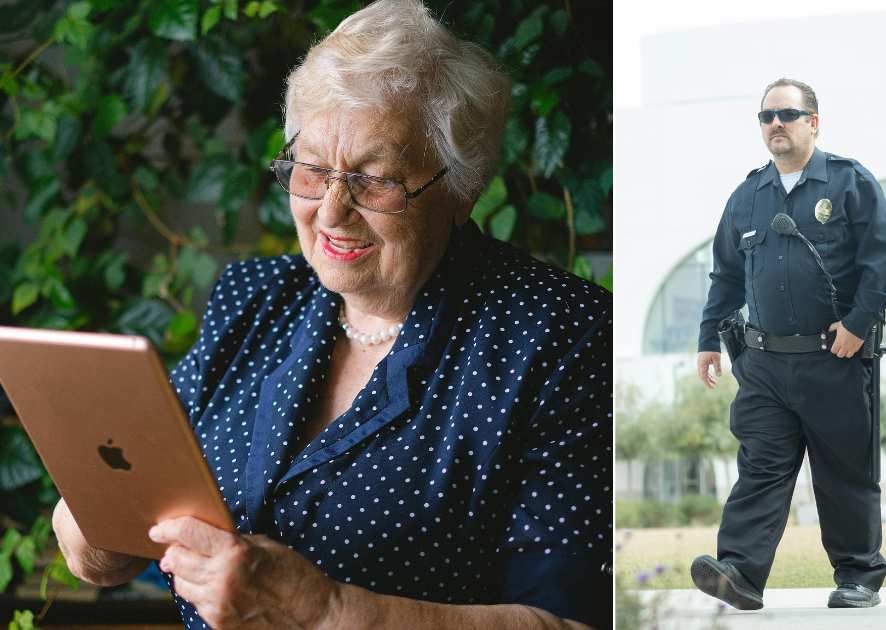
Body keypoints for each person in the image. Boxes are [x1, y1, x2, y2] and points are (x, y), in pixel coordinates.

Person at [50, 1, 613, 628]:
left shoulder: (563, 336)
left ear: (461, 189)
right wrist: (95, 520)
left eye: (376, 181)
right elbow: (111, 546)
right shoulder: (253, 300)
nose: (332, 210)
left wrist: (323, 612)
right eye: (313, 170)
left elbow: (570, 619)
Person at [691, 78, 886, 611]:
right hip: (763, 364)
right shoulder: (747, 197)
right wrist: (709, 339)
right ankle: (739, 570)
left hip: (835, 358)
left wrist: (857, 325)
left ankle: (857, 576)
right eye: (766, 117)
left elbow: (882, 269)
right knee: (760, 467)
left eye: (787, 114)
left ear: (814, 121)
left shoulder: (852, 184)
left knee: (844, 474)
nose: (775, 124)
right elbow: (725, 276)